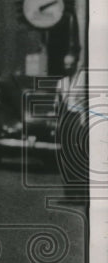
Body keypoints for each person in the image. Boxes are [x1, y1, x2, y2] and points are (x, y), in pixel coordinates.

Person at [56, 52, 88, 200]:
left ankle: (80, 192)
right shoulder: (62, 83)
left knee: (79, 156)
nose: (67, 67)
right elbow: (57, 103)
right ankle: (68, 193)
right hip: (66, 119)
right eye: (65, 64)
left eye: (70, 64)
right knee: (66, 156)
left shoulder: (82, 81)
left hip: (79, 119)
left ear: (75, 65)